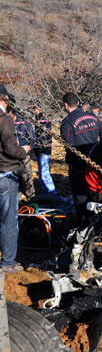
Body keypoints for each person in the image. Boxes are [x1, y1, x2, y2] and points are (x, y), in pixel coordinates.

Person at [60, 92, 102, 210]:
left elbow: (69, 146)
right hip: (96, 162)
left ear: (66, 105)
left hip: (79, 166)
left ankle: (83, 220)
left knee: (81, 197)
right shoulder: (93, 117)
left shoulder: (67, 123)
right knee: (95, 193)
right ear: (79, 103)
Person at [0, 85, 29, 274]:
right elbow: (11, 148)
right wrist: (23, 152)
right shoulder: (4, 120)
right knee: (8, 221)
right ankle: (8, 262)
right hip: (5, 173)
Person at [6, 106, 36, 200]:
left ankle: (31, 199)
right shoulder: (5, 123)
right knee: (13, 179)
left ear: (14, 114)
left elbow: (32, 138)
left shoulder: (24, 123)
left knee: (27, 179)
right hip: (10, 157)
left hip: (24, 156)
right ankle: (17, 200)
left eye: (10, 116)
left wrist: (27, 149)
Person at [31, 105, 56, 195]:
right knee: (42, 174)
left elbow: (44, 136)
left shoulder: (42, 119)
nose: (32, 111)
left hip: (43, 150)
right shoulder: (37, 118)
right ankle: (46, 192)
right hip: (40, 150)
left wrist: (42, 149)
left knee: (45, 174)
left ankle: (52, 193)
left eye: (32, 109)